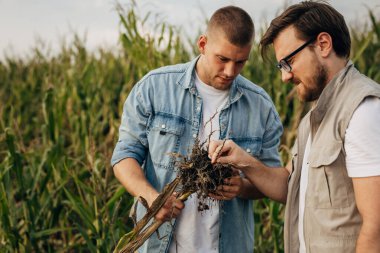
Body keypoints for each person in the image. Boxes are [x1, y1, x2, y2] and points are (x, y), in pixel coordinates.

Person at [209, 1, 380, 253]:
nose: (285, 76)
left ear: (323, 44)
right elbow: (290, 185)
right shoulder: (315, 118)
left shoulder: (363, 110)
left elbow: (375, 228)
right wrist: (243, 160)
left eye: (288, 62)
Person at [111, 5, 283, 253]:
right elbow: (124, 156)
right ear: (202, 44)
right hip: (157, 245)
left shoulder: (260, 106)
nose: (230, 72)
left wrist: (242, 187)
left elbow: (272, 179)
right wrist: (151, 197)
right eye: (222, 59)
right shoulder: (154, 88)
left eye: (240, 62)